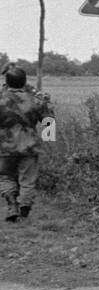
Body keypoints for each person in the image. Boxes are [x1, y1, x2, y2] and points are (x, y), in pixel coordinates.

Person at [0, 64, 54, 222]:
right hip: (30, 146)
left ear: (7, 81)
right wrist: (48, 140)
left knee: (5, 177)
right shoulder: (36, 100)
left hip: (4, 146)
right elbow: (49, 121)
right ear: (24, 82)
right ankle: (24, 209)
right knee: (28, 180)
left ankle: (11, 205)